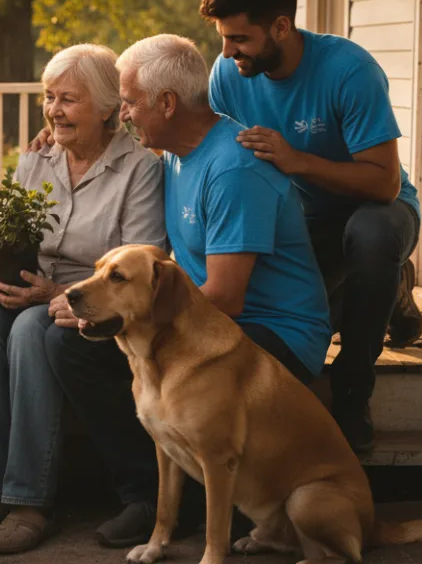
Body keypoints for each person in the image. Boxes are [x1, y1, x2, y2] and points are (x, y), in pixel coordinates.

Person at [51, 34, 333, 549]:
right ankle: (148, 501)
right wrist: (57, 138)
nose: (124, 114)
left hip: (274, 330)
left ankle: (179, 510)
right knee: (69, 343)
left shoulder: (232, 168)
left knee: (87, 345)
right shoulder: (177, 154)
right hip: (212, 319)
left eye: (130, 102)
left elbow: (225, 297)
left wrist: (122, 313)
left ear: (167, 103)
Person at [200, 0, 422, 451]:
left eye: (238, 38)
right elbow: (195, 137)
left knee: (373, 239)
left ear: (281, 26)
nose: (227, 51)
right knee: (299, 309)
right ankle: (389, 289)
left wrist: (296, 160)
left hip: (375, 209)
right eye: (223, 38)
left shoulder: (349, 70)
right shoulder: (228, 74)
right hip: (297, 221)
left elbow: (384, 183)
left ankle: (352, 391)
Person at [0, 45, 166, 554]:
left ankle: (29, 501)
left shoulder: (139, 170)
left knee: (30, 332)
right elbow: (11, 230)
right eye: (50, 98)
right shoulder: (37, 157)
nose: (53, 110)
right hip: (33, 285)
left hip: (91, 299)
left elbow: (137, 263)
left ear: (109, 108)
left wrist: (53, 293)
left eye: (68, 99)